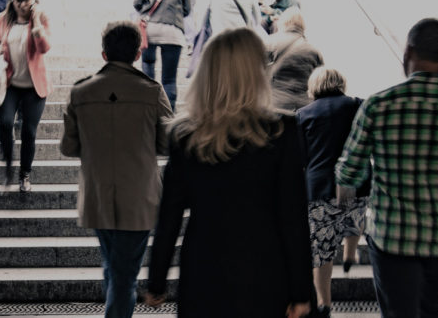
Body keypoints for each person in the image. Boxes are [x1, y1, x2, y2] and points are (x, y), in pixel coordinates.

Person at [145, 27, 312, 318]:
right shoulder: (282, 132)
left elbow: (169, 215)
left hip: (203, 270)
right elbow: (293, 218)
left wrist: (157, 280)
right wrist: (301, 290)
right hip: (265, 272)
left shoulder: (185, 136)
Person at [336, 18, 438, 318]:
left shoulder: (379, 106)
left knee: (398, 313)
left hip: (392, 237)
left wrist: (347, 224)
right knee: (429, 309)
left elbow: (349, 172)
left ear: (407, 52)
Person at [61, 21, 173, 318]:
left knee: (114, 267)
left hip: (97, 195)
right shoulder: (152, 91)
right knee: (124, 275)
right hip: (138, 198)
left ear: (103, 53)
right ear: (138, 54)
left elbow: (68, 147)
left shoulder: (80, 92)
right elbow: (167, 144)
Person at [296, 67, 367, 318]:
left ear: (313, 86)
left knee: (322, 249)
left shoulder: (303, 114)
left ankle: (325, 304)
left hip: (320, 186)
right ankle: (350, 253)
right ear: (341, 83)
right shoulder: (358, 105)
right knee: (354, 217)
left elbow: (301, 157)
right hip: (357, 181)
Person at [0, 0, 51, 192]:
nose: (21, 5)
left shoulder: (40, 18)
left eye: (26, 1)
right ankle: (7, 168)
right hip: (10, 83)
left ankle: (25, 174)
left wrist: (37, 25)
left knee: (29, 132)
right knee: (4, 123)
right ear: (12, 1)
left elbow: (44, 48)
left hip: (34, 86)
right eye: (17, 0)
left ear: (34, 1)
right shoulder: (4, 19)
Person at [133, 0, 191, 110]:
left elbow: (137, 1)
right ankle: (168, 114)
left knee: (148, 68)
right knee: (169, 79)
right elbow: (187, 9)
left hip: (150, 30)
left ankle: (148, 108)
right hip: (173, 32)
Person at [267, 7, 324, 111]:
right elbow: (320, 83)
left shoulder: (269, 43)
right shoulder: (314, 51)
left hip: (274, 105)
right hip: (303, 109)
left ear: (282, 23)